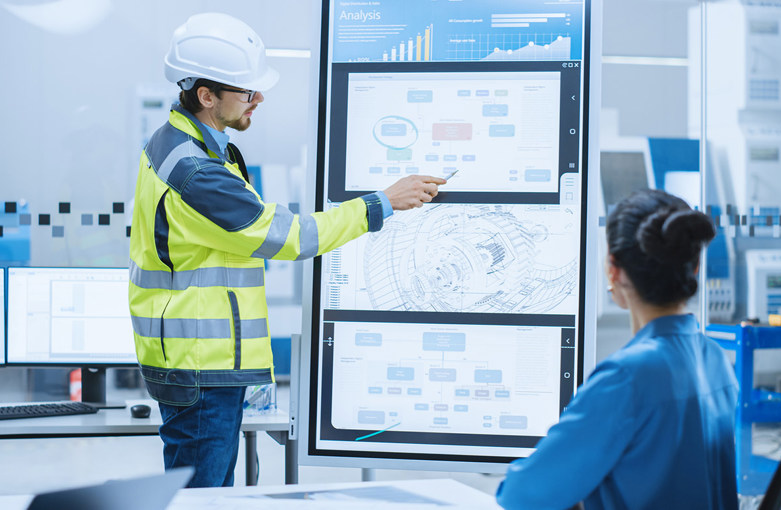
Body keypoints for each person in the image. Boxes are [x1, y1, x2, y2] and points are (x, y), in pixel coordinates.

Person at [128, 12, 445, 488]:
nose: (259, 99)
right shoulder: (195, 171)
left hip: (205, 364)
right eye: (246, 91)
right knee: (203, 500)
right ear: (206, 95)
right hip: (201, 368)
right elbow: (288, 237)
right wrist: (381, 203)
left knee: (209, 495)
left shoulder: (189, 143)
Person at [496, 189, 738, 510]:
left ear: (614, 270)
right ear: (694, 268)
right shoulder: (714, 358)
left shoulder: (628, 377)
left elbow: (521, 496)